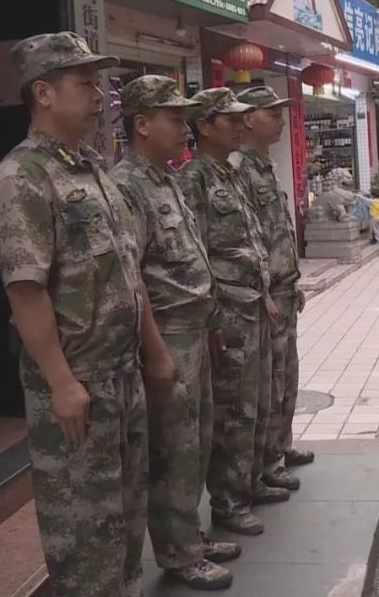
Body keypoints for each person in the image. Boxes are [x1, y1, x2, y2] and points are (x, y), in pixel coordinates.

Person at [0, 32, 177, 597]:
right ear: (42, 92)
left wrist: (156, 352)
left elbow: (128, 272)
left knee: (126, 520)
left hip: (123, 377)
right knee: (86, 534)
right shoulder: (21, 177)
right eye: (86, 84)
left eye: (100, 84)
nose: (100, 97)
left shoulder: (94, 171)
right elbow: (26, 292)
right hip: (78, 388)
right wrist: (62, 382)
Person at [110, 75, 238, 590]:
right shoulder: (127, 186)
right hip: (165, 337)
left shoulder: (166, 178)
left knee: (196, 443)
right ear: (142, 124)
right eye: (173, 117)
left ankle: (187, 536)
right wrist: (156, 352)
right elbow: (133, 276)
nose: (184, 127)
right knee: (175, 450)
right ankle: (180, 554)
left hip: (193, 331)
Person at [180, 87, 290, 537]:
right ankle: (228, 501)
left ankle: (248, 483)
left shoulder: (227, 174)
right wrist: (213, 316)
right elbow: (198, 254)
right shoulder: (195, 179)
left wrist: (265, 290)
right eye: (229, 119)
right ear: (205, 126)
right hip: (227, 311)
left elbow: (253, 242)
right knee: (234, 411)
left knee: (256, 402)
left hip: (251, 303)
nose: (239, 126)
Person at [234, 85, 314, 494]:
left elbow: (277, 231)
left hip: (284, 288)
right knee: (271, 381)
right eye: (272, 113)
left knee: (288, 375)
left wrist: (294, 280)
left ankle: (280, 446)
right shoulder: (240, 170)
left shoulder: (265, 166)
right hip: (264, 294)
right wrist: (264, 289)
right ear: (248, 119)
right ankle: (267, 458)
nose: (280, 121)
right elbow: (247, 237)